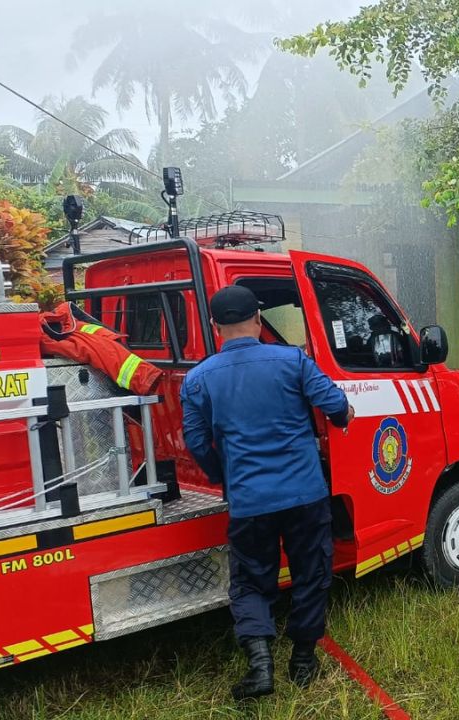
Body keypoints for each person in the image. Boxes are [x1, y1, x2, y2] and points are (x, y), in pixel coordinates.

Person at [182, 285, 353, 700]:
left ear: (215, 326)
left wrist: (223, 475)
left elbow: (196, 442)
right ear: (259, 319)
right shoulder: (293, 360)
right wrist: (344, 413)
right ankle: (303, 661)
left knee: (250, 582)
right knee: (311, 574)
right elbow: (335, 406)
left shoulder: (198, 378)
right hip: (305, 495)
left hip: (249, 501)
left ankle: (260, 667)